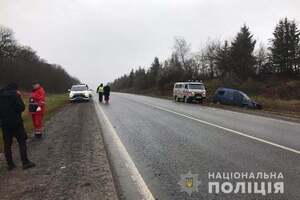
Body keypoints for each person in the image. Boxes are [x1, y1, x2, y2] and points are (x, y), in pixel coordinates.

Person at [0, 82, 36, 170]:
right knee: (22, 142)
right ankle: (25, 162)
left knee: (7, 145)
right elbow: (21, 107)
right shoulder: (15, 95)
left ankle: (10, 165)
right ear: (15, 88)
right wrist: (19, 96)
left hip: (4, 124)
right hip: (16, 123)